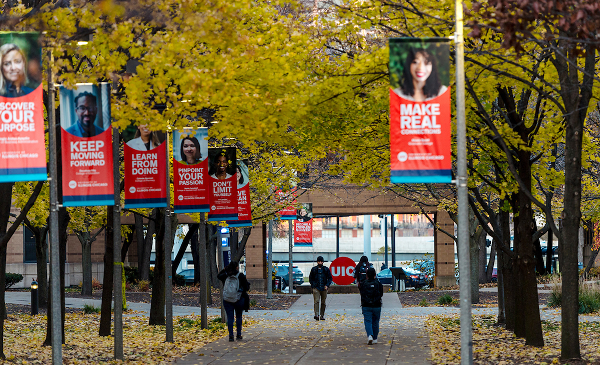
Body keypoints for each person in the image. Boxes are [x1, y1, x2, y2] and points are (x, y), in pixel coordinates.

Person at [217, 261, 250, 342]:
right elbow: (247, 287)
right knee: (239, 316)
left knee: (230, 317)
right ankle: (238, 334)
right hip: (239, 299)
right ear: (237, 267)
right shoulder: (240, 276)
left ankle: (231, 335)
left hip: (227, 300)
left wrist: (225, 269)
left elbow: (218, 276)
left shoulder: (225, 276)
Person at [360, 267, 383, 345]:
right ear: (375, 274)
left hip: (366, 305)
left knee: (368, 321)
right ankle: (375, 338)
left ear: (367, 275)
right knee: (376, 321)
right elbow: (381, 294)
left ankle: (370, 335)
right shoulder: (378, 283)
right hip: (377, 305)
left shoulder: (363, 284)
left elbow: (362, 293)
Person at [308, 256, 332, 321]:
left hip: (324, 287)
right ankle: (317, 314)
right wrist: (313, 285)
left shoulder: (326, 269)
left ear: (323, 262)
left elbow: (330, 278)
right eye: (319, 261)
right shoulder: (314, 269)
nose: (320, 262)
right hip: (316, 287)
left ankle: (322, 315)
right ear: (317, 262)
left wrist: (327, 285)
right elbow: (310, 278)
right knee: (316, 301)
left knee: (323, 302)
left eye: (321, 261)